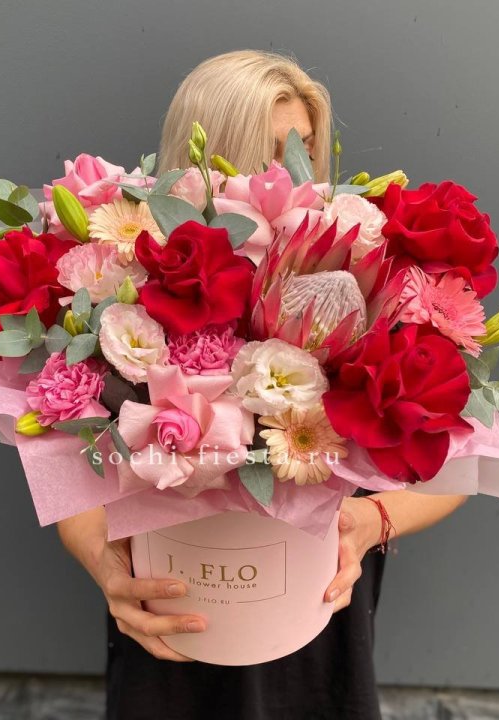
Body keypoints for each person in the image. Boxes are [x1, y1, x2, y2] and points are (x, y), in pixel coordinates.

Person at [57, 49, 469, 720]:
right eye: (265, 151)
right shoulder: (130, 273)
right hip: (168, 595)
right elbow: (65, 463)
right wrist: (104, 561)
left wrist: (369, 521)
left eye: (301, 149)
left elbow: (463, 462)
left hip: (318, 591)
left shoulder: (359, 273)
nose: (287, 172)